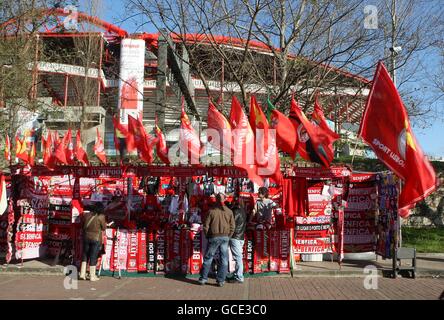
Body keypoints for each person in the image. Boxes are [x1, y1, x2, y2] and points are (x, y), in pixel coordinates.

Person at [199, 192, 235, 287]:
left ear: (216, 200)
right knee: (224, 259)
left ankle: (203, 279)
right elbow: (232, 227)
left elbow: (205, 226)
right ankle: (220, 280)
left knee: (208, 258)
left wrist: (208, 236)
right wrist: (229, 236)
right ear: (225, 200)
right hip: (225, 237)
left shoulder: (211, 211)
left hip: (214, 237)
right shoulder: (229, 211)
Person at [79, 203, 107, 281]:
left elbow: (82, 225)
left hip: (86, 237)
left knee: (85, 255)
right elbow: (104, 228)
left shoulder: (86, 215)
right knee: (93, 256)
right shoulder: (101, 216)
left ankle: (82, 274)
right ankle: (92, 276)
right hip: (96, 239)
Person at [228, 195, 247, 284]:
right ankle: (237, 275)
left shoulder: (235, 211)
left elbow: (232, 224)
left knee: (238, 257)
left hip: (235, 236)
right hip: (241, 236)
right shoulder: (243, 211)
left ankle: (239, 277)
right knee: (238, 256)